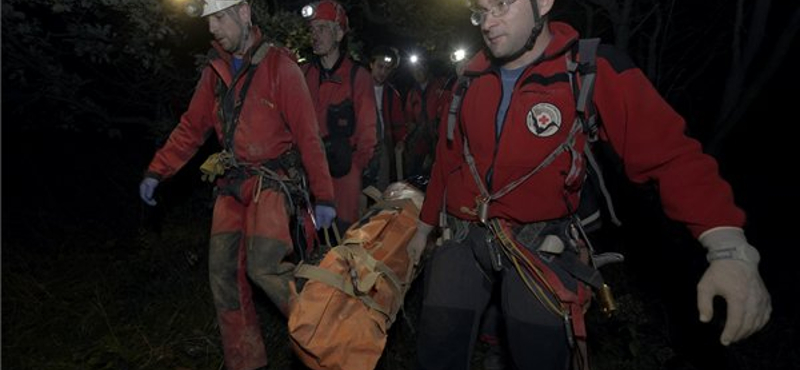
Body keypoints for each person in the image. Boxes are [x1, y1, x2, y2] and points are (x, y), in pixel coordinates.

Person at [407, 0, 772, 369]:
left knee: (540, 357)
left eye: (501, 5)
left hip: (539, 245)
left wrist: (729, 250)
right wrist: (424, 227)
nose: (488, 22)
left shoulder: (588, 69)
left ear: (543, 3)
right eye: (480, 11)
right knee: (437, 354)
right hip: (463, 237)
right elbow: (448, 159)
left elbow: (672, 156)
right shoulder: (470, 78)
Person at [137, 1, 336, 369]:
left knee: (264, 267)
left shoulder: (280, 67)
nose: (212, 29)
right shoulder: (215, 72)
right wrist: (157, 170)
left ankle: (332, 333)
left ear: (243, 13)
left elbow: (309, 136)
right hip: (231, 186)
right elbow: (191, 127)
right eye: (209, 21)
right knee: (224, 277)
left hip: (272, 186)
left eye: (218, 18)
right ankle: (246, 362)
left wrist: (324, 195)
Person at [301, 0, 377, 230]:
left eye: (322, 28)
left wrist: (355, 171)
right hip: (307, 174)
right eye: (312, 29)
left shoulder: (358, 77)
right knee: (306, 244)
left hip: (343, 176)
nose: (315, 35)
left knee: (342, 245)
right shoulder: (302, 74)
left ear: (339, 34)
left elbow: (368, 133)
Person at [366, 45, 407, 190]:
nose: (383, 72)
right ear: (371, 64)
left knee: (381, 186)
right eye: (380, 66)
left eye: (387, 68)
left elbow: (398, 121)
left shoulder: (392, 94)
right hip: (361, 145)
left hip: (383, 145)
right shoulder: (359, 88)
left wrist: (400, 139)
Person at [403, 51, 446, 179]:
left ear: (427, 68)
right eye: (415, 69)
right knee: (415, 173)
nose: (418, 71)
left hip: (438, 140)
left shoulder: (441, 86)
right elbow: (408, 117)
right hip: (419, 142)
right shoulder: (412, 94)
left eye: (421, 67)